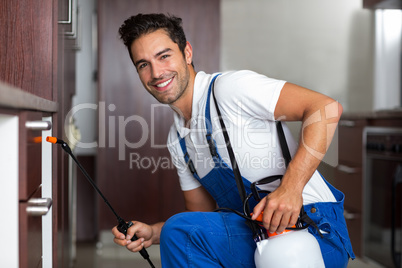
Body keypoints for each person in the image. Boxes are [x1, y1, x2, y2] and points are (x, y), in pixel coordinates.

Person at [112, 13, 355, 268]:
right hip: (259, 235)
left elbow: (325, 108)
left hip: (313, 231)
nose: (156, 72)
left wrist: (291, 188)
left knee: (180, 232)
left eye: (164, 56)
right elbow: (202, 220)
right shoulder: (177, 140)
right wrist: (154, 233)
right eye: (143, 64)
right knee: (179, 231)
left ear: (187, 53)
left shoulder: (230, 89)